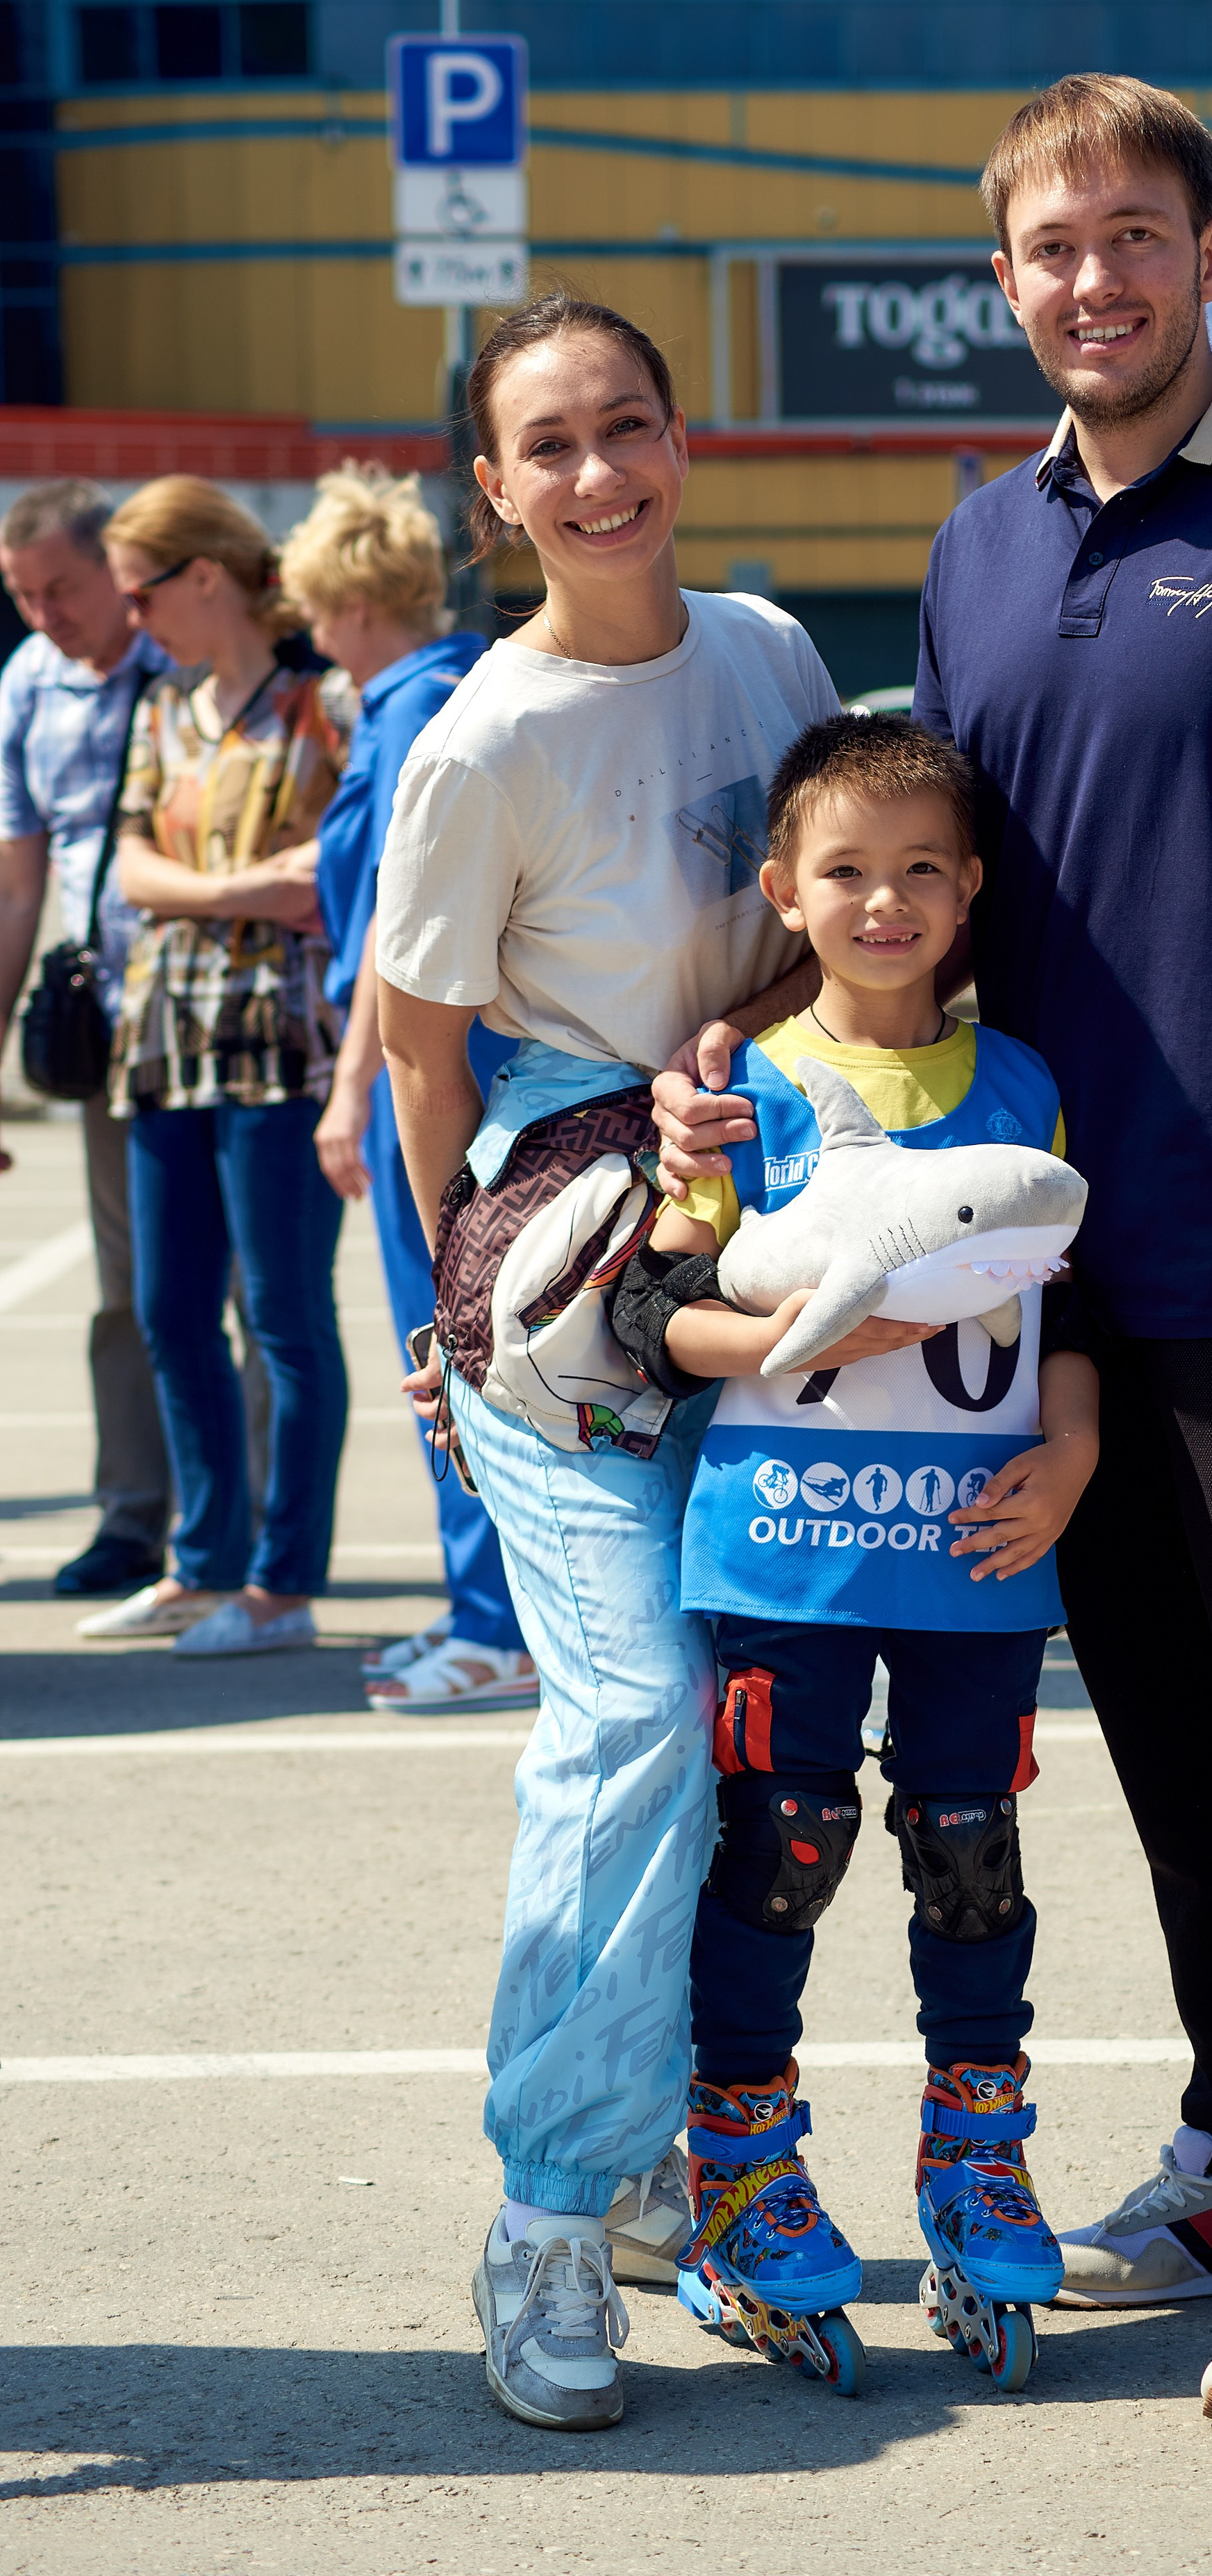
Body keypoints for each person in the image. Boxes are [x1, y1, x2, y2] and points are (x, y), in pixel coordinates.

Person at [655, 74, 1212, 2432]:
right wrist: (737, 1069)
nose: (1096, 280)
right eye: (1053, 246)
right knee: (1172, 1758)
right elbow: (936, 903)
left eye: (1138, 234)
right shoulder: (976, 550)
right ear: (1003, 279)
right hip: (1041, 1284)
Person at [372, 292, 842, 2430]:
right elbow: (419, 1055)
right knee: (637, 1709)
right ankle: (553, 2212)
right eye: (547, 447)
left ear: (682, 438)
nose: (597, 475)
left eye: (627, 428)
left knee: (745, 1720)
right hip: (559, 1282)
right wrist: (442, 1308)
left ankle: (654, 2143)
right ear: (493, 489)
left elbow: (812, 922)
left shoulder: (764, 647)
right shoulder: (482, 739)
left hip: (750, 1227)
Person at [614, 713, 1097, 2380]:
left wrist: (1076, 1447)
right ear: (783, 891)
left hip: (969, 1543)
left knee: (970, 1851)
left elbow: (1069, 1296)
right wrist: (778, 1343)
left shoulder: (1027, 1078)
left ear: (967, 892)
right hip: (786, 1547)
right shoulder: (741, 1090)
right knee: (784, 1842)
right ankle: (739, 2161)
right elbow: (655, 1303)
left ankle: (978, 2139)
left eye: (915, 872)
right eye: (843, 872)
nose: (880, 901)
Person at [77, 476, 352, 1657]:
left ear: (204, 577)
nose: (129, 618)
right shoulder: (160, 711)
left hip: (280, 1054)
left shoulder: (322, 704)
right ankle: (203, 1564)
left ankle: (282, 1585)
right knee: (170, 1313)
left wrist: (219, 893)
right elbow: (132, 873)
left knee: (283, 1323)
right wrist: (243, 891)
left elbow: (329, 881)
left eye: (142, 591)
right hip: (163, 1048)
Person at [279, 462, 534, 1713]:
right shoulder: (407, 697)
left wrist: (344, 1093)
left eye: (314, 603)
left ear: (346, 596)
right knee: (455, 1330)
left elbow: (399, 925)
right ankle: (476, 1605)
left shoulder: (411, 707)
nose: (308, 624)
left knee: (450, 1332)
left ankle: (497, 1620)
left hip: (424, 1065)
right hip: (427, 1051)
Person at [0, 479, 172, 1596]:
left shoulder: (189, 663)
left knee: (256, 1298)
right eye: (23, 597)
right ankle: (132, 1517)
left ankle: (241, 1533)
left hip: (225, 1026)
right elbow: (17, 887)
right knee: (131, 1290)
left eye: (61, 588)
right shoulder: (28, 685)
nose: (45, 616)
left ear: (116, 569)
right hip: (102, 1026)